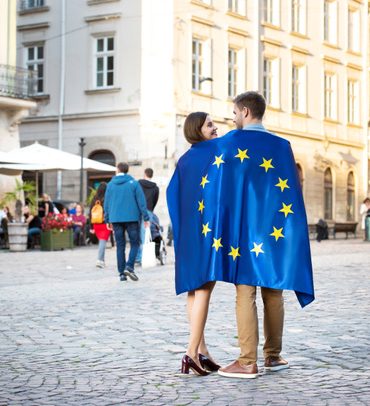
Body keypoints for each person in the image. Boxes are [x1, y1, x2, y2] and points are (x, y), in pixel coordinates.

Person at [167, 92, 314, 379]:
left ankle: (247, 362)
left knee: (245, 292)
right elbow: (293, 192)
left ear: (245, 112)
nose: (232, 119)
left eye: (234, 113)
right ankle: (273, 356)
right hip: (276, 233)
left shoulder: (228, 144)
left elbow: (211, 182)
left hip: (244, 235)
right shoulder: (282, 146)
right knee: (274, 290)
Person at [169, 112, 220, 376]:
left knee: (194, 289)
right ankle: (191, 353)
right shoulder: (214, 153)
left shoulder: (185, 159)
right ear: (197, 130)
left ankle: (203, 351)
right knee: (204, 288)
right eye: (209, 125)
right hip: (205, 229)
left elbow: (172, 192)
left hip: (189, 230)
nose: (215, 127)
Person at [104, 162, 150, 282]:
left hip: (116, 219)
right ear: (127, 170)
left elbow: (106, 203)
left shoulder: (110, 185)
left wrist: (107, 219)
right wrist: (146, 218)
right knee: (135, 243)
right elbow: (141, 201)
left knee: (120, 246)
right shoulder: (134, 183)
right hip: (132, 218)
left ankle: (122, 274)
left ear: (118, 170)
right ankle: (129, 266)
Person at [136, 168, 160, 264]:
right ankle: (142, 256)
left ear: (145, 174)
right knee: (145, 233)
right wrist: (150, 209)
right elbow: (155, 200)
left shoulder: (138, 184)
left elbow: (136, 196)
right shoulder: (155, 188)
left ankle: (139, 256)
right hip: (149, 210)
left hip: (138, 210)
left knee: (137, 233)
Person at [89, 182, 112, 268]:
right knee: (103, 241)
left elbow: (90, 213)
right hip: (104, 223)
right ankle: (99, 260)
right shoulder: (107, 198)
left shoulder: (94, 199)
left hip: (96, 223)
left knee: (102, 241)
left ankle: (102, 261)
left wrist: (91, 226)